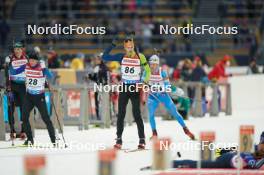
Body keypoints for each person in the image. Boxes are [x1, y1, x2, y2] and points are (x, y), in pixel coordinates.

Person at [102, 35, 151, 149]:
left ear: (134, 46)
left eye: (132, 46)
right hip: (124, 88)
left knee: (137, 114)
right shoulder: (121, 56)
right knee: (121, 114)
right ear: (125, 48)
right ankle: (119, 139)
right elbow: (105, 57)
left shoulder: (140, 57)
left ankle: (142, 139)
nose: (130, 49)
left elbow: (148, 71)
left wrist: (144, 81)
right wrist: (112, 45)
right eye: (128, 47)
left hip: (135, 88)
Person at [10, 51, 56, 146]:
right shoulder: (26, 66)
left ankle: (53, 139)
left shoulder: (41, 68)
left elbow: (51, 76)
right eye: (30, 60)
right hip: (29, 96)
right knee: (24, 117)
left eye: (33, 61)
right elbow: (14, 72)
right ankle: (30, 139)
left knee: (46, 118)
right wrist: (10, 65)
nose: (31, 62)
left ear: (37, 61)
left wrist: (45, 68)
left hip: (39, 97)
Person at [145, 55, 195, 140]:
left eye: (153, 64)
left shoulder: (163, 72)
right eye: (150, 64)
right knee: (151, 115)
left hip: (163, 95)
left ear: (157, 64)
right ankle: (154, 133)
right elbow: (143, 82)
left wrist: (162, 88)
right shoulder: (147, 72)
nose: (152, 66)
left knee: (175, 113)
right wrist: (144, 84)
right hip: (152, 96)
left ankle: (186, 129)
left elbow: (167, 86)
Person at [173, 132, 264, 169]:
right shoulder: (254, 150)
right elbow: (252, 163)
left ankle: (219, 151)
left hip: (231, 157)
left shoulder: (257, 150)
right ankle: (172, 163)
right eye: (262, 144)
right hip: (225, 160)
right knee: (199, 164)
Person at [4, 42, 27, 140]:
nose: (17, 51)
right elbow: (6, 73)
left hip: (23, 87)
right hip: (12, 87)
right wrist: (6, 64)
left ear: (22, 50)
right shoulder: (9, 58)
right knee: (10, 108)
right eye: (15, 49)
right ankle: (12, 131)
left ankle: (23, 131)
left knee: (23, 109)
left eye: (19, 49)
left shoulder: (26, 58)